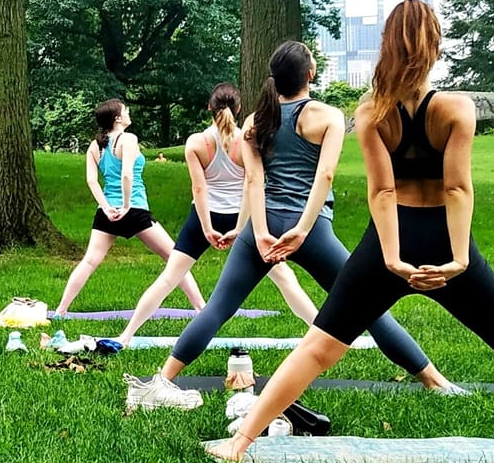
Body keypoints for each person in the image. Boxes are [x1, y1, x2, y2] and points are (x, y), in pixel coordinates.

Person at [208, 0, 494, 463]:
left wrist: (392, 258)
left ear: (386, 46)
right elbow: (457, 187)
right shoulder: (455, 108)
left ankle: (238, 443)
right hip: (444, 238)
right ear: (435, 47)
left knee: (319, 347)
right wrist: (459, 258)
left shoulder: (370, 112)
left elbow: (383, 193)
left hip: (391, 239)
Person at [125, 40, 462, 411]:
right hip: (311, 230)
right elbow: (325, 175)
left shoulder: (255, 121)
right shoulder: (328, 116)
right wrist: (302, 229)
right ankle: (434, 381)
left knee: (218, 307)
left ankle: (160, 382)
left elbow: (253, 182)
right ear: (310, 75)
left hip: (263, 230)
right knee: (368, 307)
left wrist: (262, 231)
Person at [115, 83, 321, 348]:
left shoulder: (196, 142)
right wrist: (239, 227)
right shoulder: (248, 137)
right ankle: (320, 332)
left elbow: (199, 188)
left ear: (209, 108)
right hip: (243, 217)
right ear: (238, 109)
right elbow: (252, 183)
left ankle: (126, 335)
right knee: (283, 277)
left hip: (206, 217)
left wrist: (207, 227)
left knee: (169, 277)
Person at [52, 99, 205, 317]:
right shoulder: (128, 139)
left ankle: (61, 310)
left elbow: (92, 182)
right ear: (117, 118)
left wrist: (106, 208)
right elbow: (126, 174)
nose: (128, 112)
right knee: (175, 258)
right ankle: (201, 308)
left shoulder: (96, 146)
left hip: (107, 213)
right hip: (134, 209)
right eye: (125, 110)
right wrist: (125, 206)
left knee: (89, 261)